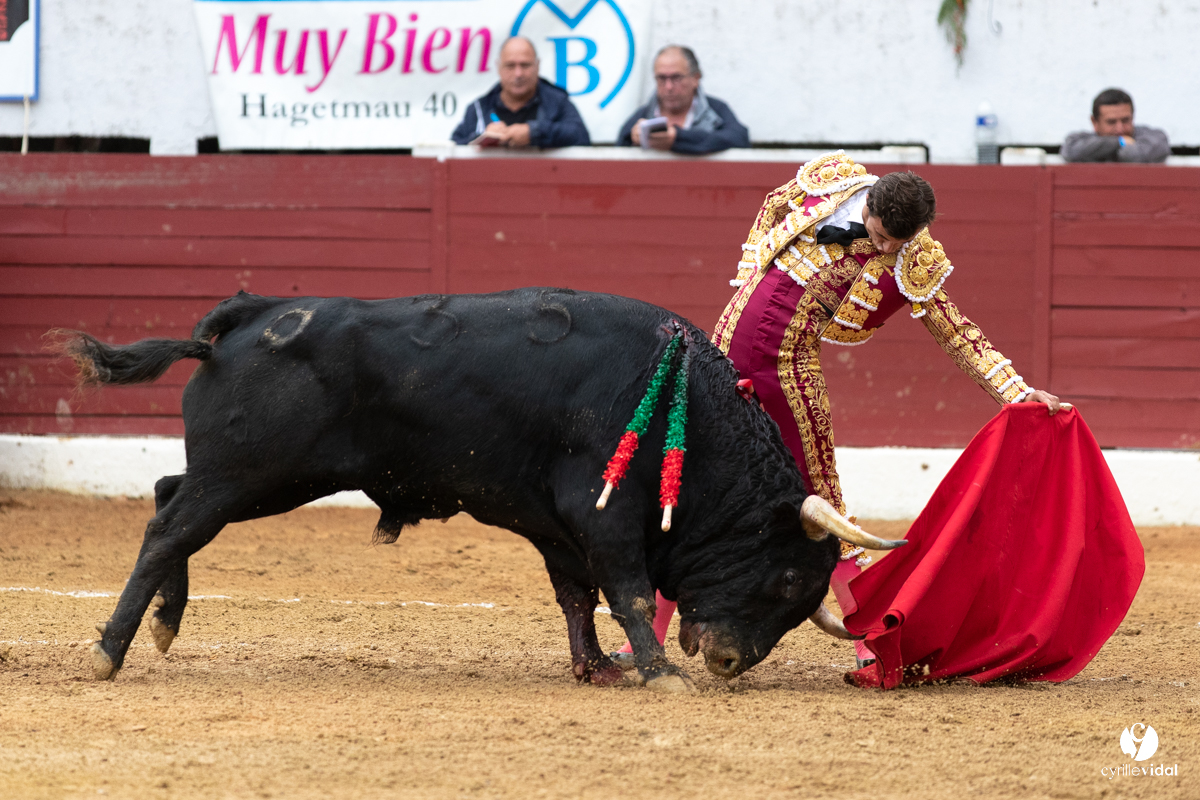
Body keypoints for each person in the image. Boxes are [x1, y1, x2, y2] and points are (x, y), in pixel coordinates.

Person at [615, 152, 1062, 669]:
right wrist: (752, 271)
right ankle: (643, 640)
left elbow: (955, 330)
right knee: (691, 488)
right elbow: (773, 205)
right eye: (882, 236)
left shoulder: (913, 258)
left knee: (823, 503)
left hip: (789, 374)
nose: (888, 249)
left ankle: (871, 642)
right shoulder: (830, 183)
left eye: (899, 241)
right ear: (868, 206)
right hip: (722, 357)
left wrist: (1016, 391)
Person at [451, 37, 590, 149]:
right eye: (510, 66)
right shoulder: (479, 108)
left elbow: (581, 136)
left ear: (537, 66)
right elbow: (454, 146)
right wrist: (483, 137)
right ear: (499, 67)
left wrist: (534, 133)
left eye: (525, 65)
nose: (518, 74)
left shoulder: (557, 102)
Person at [615, 45, 749, 155]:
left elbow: (740, 139)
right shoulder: (643, 114)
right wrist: (633, 138)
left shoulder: (716, 110)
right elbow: (619, 151)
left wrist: (678, 138)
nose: (668, 87)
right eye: (661, 78)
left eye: (676, 78)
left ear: (695, 78)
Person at [1062, 88, 1169, 163]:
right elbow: (1070, 151)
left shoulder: (1154, 138)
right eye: (1111, 122)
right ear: (1094, 122)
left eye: (1125, 120)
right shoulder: (1078, 141)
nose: (1120, 129)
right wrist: (1120, 142)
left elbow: (1133, 155)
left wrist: (1102, 150)